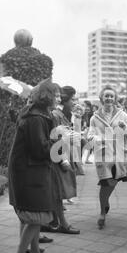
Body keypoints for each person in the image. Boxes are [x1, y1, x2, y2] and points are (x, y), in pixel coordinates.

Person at [8, 79, 58, 253]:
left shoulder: (35, 113)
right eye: (55, 95)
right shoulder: (37, 118)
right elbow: (40, 150)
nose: (58, 99)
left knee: (30, 214)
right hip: (29, 171)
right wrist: (60, 140)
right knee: (37, 216)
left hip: (27, 170)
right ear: (47, 97)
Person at [88, 85, 127, 229]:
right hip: (103, 155)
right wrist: (98, 139)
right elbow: (89, 135)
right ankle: (102, 212)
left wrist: (125, 127)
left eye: (111, 96)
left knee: (113, 182)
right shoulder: (94, 118)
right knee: (105, 183)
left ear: (115, 99)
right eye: (106, 96)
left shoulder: (122, 115)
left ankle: (105, 202)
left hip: (119, 155)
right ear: (101, 98)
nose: (109, 98)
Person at [42, 85, 80, 235]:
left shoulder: (63, 114)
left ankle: (52, 222)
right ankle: (61, 223)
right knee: (57, 192)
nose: (75, 102)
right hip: (57, 157)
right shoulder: (55, 115)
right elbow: (55, 137)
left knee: (56, 193)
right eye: (73, 99)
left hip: (61, 153)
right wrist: (63, 159)